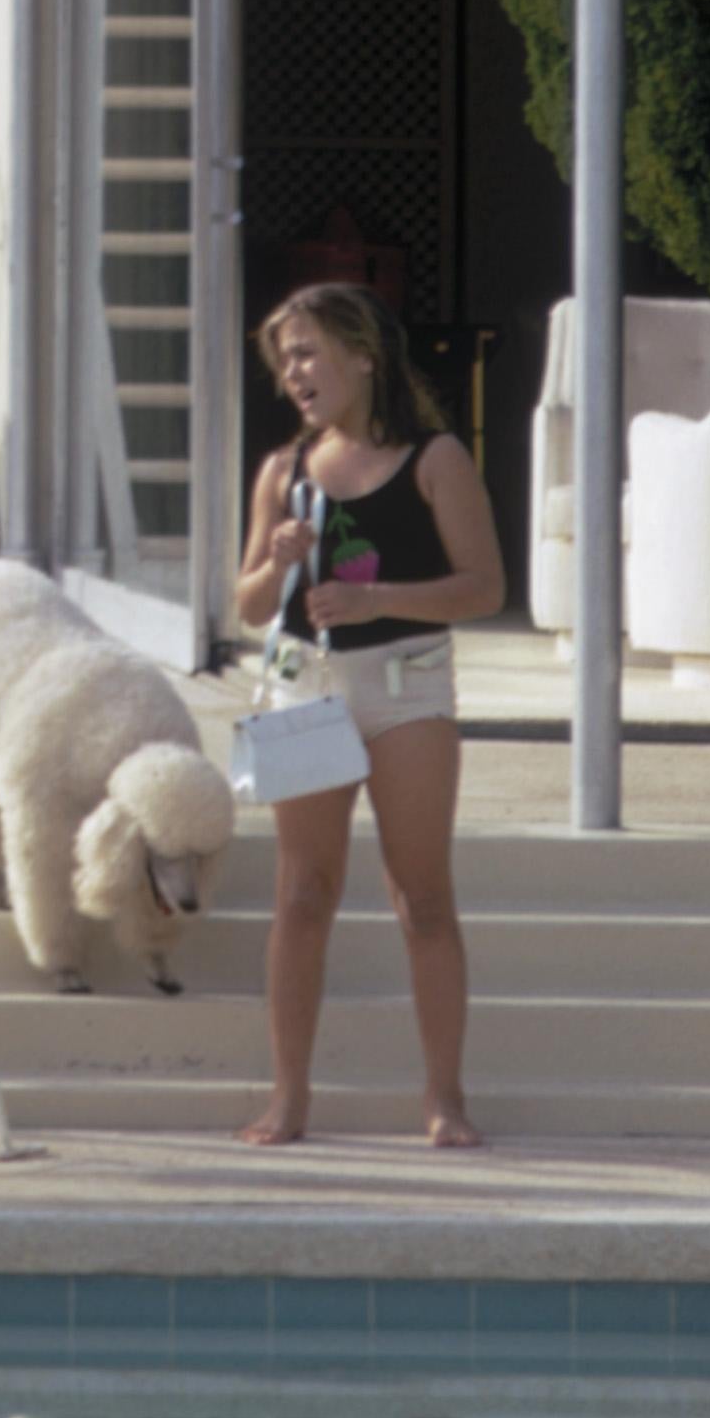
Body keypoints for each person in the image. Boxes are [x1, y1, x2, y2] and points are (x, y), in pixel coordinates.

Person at [231, 280, 504, 1151]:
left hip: (406, 686)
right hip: (300, 684)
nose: (295, 374)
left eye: (308, 352)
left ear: (363, 355)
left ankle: (445, 1098)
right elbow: (245, 606)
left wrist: (376, 594)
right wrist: (277, 566)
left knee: (422, 897)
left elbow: (486, 588)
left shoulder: (436, 458)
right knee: (301, 895)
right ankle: (288, 1097)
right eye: (286, 360)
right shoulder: (282, 471)